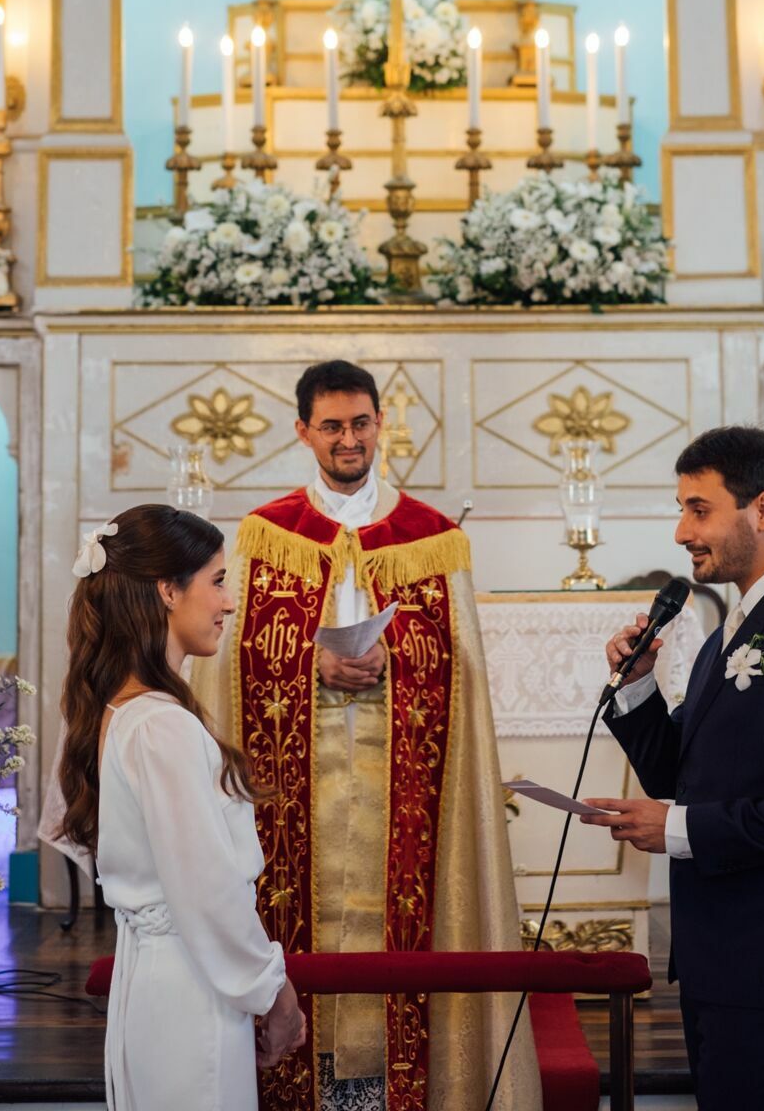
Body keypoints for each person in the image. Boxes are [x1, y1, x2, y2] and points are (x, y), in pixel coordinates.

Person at [191, 360, 540, 1111]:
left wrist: (401, 659)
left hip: (400, 791)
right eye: (331, 426)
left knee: (403, 933)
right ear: (302, 432)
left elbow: (459, 669)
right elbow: (229, 657)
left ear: (381, 424)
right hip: (298, 790)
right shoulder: (265, 535)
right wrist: (309, 663)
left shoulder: (431, 539)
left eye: (359, 423)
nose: (348, 439)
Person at [582, 426, 764, 1111]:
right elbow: (680, 777)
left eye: (698, 508)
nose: (680, 531)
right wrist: (636, 686)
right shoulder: (737, 628)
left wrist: (680, 830)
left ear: (763, 510)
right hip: (731, 964)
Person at [54, 504, 307, 1111]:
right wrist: (273, 990)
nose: (228, 602)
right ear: (168, 590)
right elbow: (206, 889)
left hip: (161, 977)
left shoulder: (123, 709)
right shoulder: (161, 727)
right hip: (190, 984)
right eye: (217, 581)